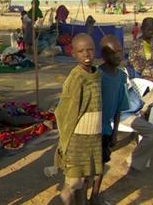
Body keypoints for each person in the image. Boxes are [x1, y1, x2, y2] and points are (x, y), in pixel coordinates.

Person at [54, 33, 103, 205]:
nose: (87, 54)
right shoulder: (76, 78)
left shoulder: (97, 75)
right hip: (77, 140)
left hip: (93, 138)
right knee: (73, 183)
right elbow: (66, 111)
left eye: (90, 49)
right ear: (73, 54)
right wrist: (64, 143)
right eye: (81, 51)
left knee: (86, 180)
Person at [90, 35, 130, 205]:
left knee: (101, 165)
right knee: (88, 166)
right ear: (104, 55)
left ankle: (95, 195)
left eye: (120, 52)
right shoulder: (96, 76)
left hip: (106, 130)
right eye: (113, 53)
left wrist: (115, 132)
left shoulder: (121, 76)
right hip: (91, 129)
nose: (118, 56)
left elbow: (120, 106)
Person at [129, 17, 153, 136]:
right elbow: (136, 71)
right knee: (152, 107)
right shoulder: (137, 46)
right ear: (142, 29)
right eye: (148, 29)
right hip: (145, 85)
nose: (151, 32)